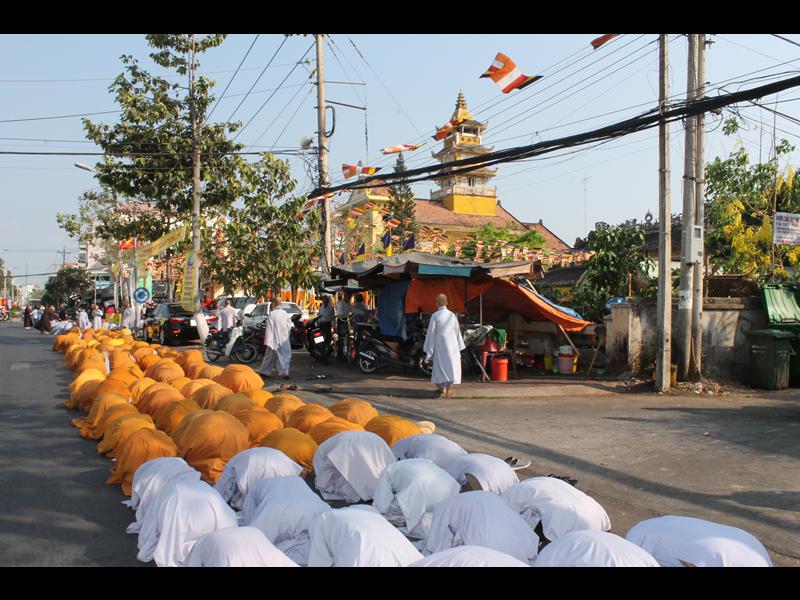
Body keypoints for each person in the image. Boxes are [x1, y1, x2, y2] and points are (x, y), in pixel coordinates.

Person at [423, 294, 465, 398]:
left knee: (439, 368)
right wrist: (459, 345)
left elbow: (431, 333)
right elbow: (457, 332)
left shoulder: (435, 316)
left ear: (436, 304)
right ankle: (449, 390)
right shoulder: (452, 315)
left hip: (440, 346)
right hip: (452, 346)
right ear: (446, 303)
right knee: (452, 367)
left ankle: (442, 389)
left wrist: (429, 349)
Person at [259, 297, 292, 380]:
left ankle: (264, 372)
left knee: (269, 356)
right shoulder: (285, 313)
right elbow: (289, 327)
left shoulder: (272, 314)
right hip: (283, 339)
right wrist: (286, 335)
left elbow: (269, 328)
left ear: (273, 304)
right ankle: (285, 373)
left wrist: (268, 340)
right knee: (285, 355)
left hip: (273, 339)